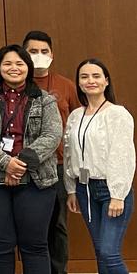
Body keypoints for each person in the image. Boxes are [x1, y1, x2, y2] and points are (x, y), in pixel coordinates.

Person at [0, 44, 62, 274]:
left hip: (35, 180)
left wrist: (19, 164)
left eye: (19, 63)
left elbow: (52, 134)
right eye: (7, 63)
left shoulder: (45, 100)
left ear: (28, 68)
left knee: (35, 246)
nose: (14, 68)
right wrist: (5, 163)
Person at [64, 59, 134, 274]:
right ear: (79, 83)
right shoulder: (76, 116)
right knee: (99, 252)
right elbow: (69, 154)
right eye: (84, 77)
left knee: (109, 252)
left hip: (110, 190)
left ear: (106, 81)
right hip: (85, 189)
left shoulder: (117, 114)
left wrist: (118, 194)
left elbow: (123, 155)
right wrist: (71, 190)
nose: (90, 81)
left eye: (96, 76)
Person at [23, 30, 80, 274]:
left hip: (57, 165)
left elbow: (78, 122)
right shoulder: (16, 85)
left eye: (44, 51)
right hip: (23, 167)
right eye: (32, 51)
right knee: (30, 226)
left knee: (58, 226)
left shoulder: (66, 85)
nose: (39, 56)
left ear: (52, 55)